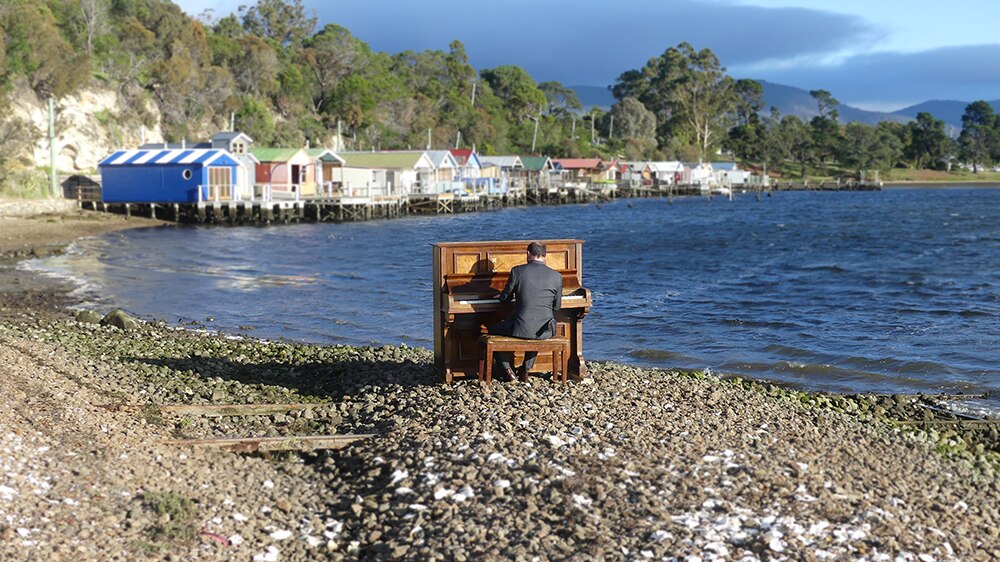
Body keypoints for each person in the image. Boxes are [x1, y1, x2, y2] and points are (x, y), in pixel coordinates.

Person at [490, 241, 563, 382]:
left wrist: (504, 296)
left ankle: (508, 371)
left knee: (493, 329)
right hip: (545, 330)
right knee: (536, 331)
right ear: (545, 256)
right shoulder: (557, 276)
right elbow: (556, 307)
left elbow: (505, 299)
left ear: (528, 254)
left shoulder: (517, 271)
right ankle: (525, 371)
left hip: (521, 327)